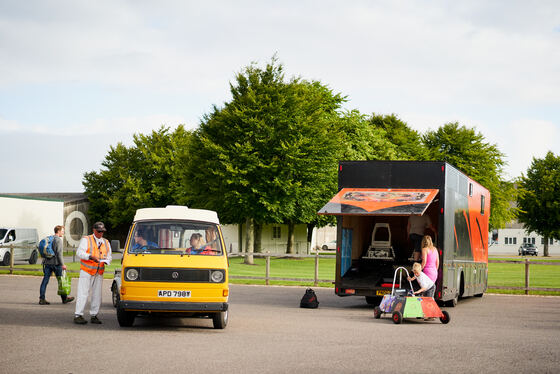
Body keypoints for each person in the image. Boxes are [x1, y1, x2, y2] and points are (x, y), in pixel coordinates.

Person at [73, 222, 112, 325]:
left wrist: (107, 261)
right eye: (99, 231)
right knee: (83, 293)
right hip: (86, 271)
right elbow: (79, 253)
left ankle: (94, 315)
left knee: (97, 295)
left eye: (102, 231)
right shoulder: (87, 239)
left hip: (99, 272)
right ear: (94, 230)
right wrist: (90, 257)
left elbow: (109, 256)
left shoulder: (106, 242)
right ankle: (78, 315)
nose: (101, 233)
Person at [39, 225, 75, 305]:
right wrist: (63, 264)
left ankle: (42, 298)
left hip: (47, 263)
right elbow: (59, 254)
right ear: (58, 231)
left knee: (45, 281)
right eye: (62, 231)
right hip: (56, 264)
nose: (63, 232)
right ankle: (64, 298)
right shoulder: (58, 240)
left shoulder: (50, 239)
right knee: (61, 281)